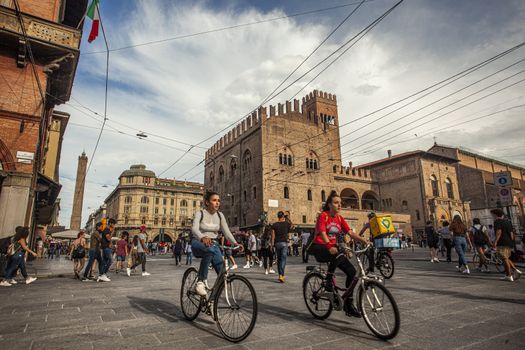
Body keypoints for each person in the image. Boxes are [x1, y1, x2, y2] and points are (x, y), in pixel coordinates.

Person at [310, 191, 369, 318]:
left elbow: (350, 233)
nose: (339, 205)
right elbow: (322, 232)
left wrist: (365, 240)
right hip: (320, 247)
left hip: (333, 248)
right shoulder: (323, 216)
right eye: (336, 203)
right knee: (338, 253)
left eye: (340, 203)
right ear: (330, 205)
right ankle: (328, 282)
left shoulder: (340, 218)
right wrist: (330, 245)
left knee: (352, 272)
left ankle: (348, 304)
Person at [191, 190, 242, 296]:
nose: (217, 203)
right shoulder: (200, 214)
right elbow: (194, 229)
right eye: (214, 200)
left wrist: (236, 243)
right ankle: (200, 281)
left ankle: (212, 300)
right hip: (198, 242)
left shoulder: (220, 215)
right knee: (209, 250)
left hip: (213, 245)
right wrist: (202, 237)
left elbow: (227, 232)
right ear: (207, 202)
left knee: (222, 274)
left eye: (218, 200)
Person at [491, 209, 521, 281]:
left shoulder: (497, 222)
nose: (492, 216)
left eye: (492, 214)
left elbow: (499, 232)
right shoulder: (507, 222)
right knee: (506, 257)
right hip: (509, 242)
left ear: (495, 215)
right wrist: (511, 241)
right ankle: (515, 270)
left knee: (504, 258)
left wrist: (495, 242)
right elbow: (511, 233)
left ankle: (509, 275)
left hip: (502, 242)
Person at [271, 211, 292, 283]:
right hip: (284, 243)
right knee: (283, 259)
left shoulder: (274, 225)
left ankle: (280, 275)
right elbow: (290, 228)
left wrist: (272, 244)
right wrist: (288, 217)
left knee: (279, 259)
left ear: (278, 216)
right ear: (283, 216)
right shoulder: (287, 224)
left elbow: (273, 236)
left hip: (277, 243)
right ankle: (282, 275)